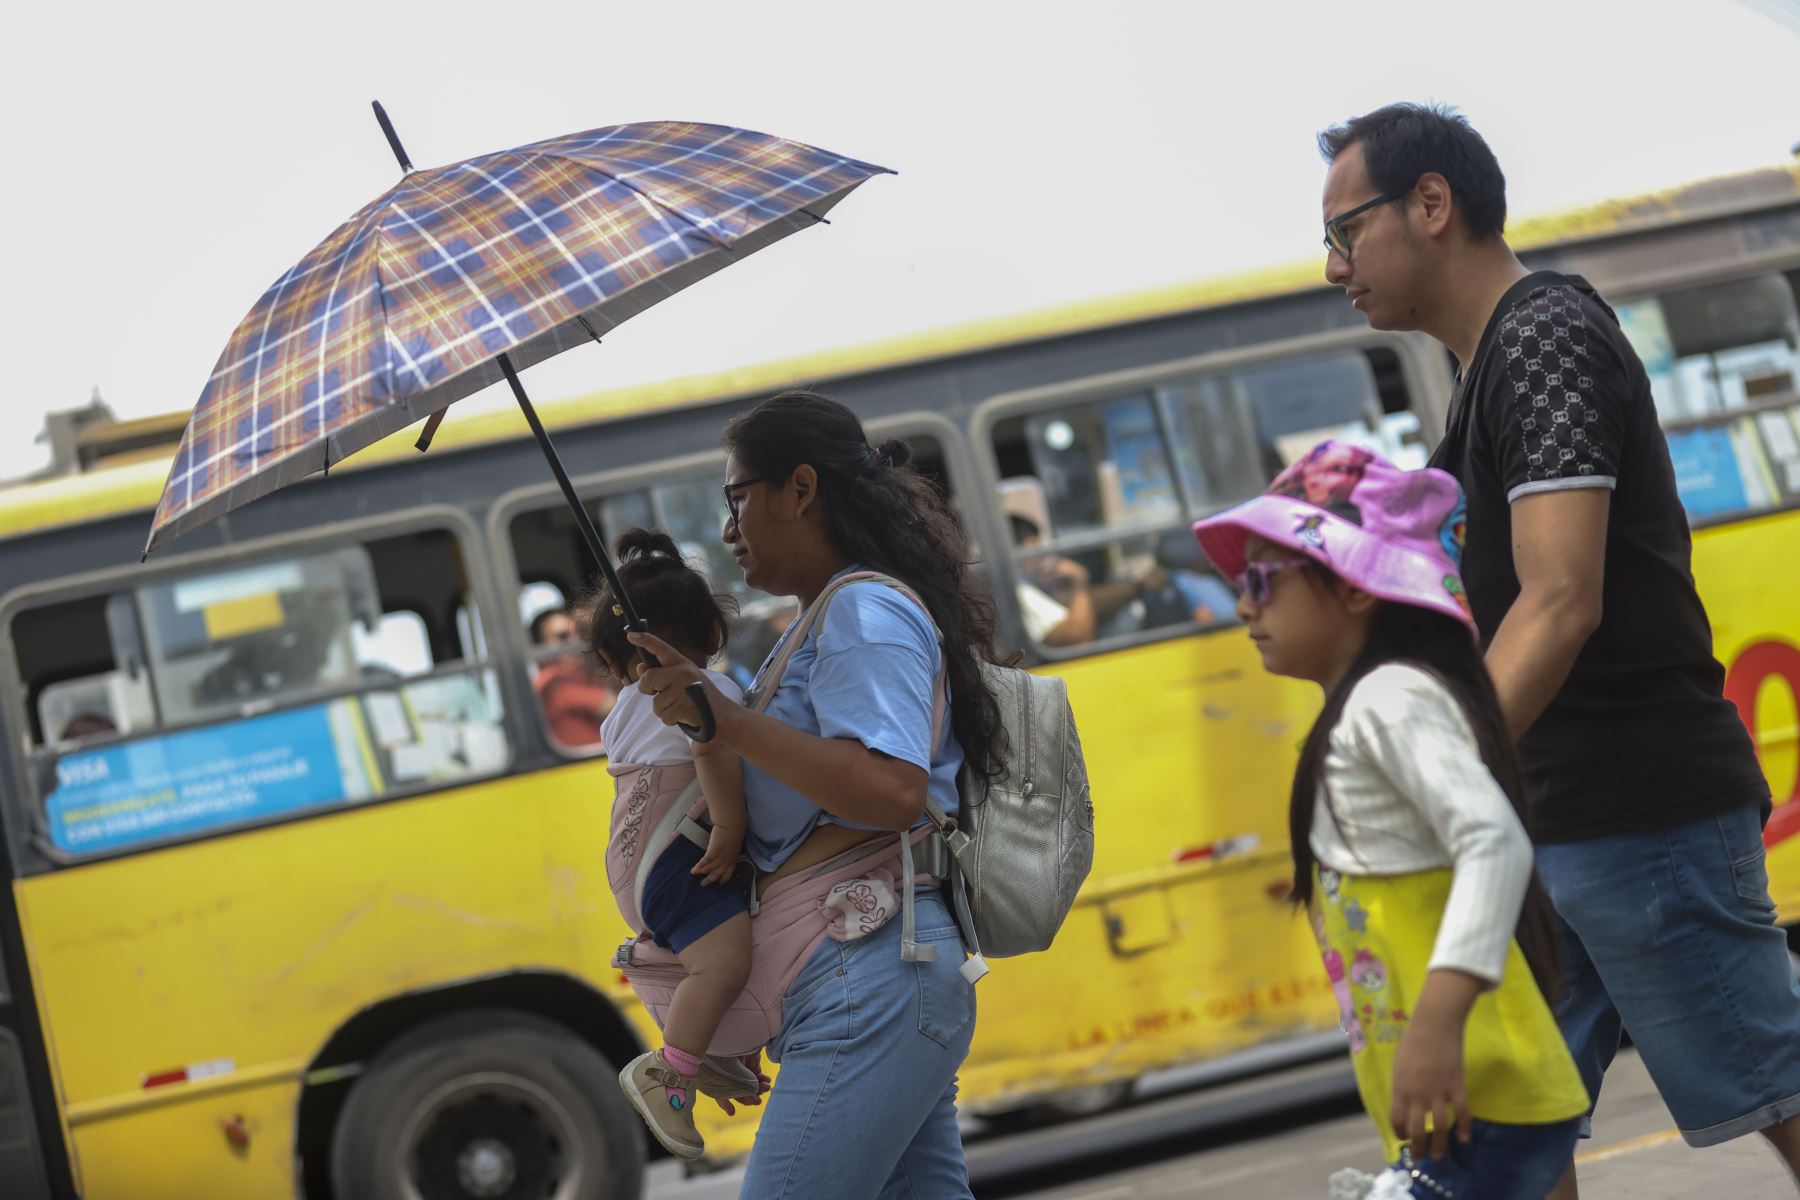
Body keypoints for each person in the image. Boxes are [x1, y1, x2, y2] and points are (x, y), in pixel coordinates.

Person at [1319, 102, 1800, 1196]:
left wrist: (1434, 766)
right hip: (1551, 819)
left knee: (1776, 1093)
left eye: (1346, 233)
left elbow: (1561, 597)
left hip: (1643, 815)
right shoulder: (1483, 369)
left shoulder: (1542, 337)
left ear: (1431, 204)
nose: (1335, 268)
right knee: (1504, 1136)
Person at [628, 389, 1001, 1197]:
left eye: (737, 499)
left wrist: (726, 720)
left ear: (799, 489)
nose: (728, 530)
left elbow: (893, 790)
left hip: (866, 971)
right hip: (863, 967)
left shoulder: (863, 612)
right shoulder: (820, 619)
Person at [1195, 443, 1588, 1199]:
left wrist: (1437, 1025)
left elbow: (1493, 839)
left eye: (1260, 581)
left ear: (1354, 589)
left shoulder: (1388, 700)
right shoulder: (1368, 705)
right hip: (1467, 1095)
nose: (1243, 606)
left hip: (1477, 1083)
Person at [575, 531, 751, 1161]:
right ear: (713, 636)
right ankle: (668, 1073)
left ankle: (714, 1051)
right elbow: (712, 750)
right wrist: (729, 831)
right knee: (724, 961)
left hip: (635, 859)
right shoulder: (708, 692)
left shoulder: (622, 708)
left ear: (611, 656)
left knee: (717, 951)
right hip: (680, 851)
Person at [528, 604, 613, 748]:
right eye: (563, 637)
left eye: (577, 634)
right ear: (541, 647)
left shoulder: (573, 675)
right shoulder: (554, 681)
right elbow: (611, 705)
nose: (574, 643)